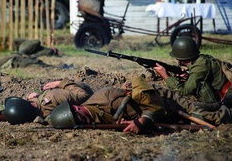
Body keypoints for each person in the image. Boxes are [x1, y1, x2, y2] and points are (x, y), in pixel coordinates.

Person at [49, 75, 232, 134]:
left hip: (167, 104)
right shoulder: (92, 117)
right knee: (210, 106)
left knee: (212, 117)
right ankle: (222, 102)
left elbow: (154, 108)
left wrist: (143, 120)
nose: (81, 115)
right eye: (78, 121)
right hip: (163, 108)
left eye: (77, 112)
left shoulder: (108, 99)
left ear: (74, 106)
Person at [153, 36, 232, 103]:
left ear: (179, 58)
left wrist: (165, 76)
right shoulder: (202, 59)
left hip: (227, 96)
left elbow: (184, 91)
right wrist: (188, 77)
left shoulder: (199, 67)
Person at [26, 77, 94, 121]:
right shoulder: (53, 97)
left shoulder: (36, 110)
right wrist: (59, 83)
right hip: (86, 92)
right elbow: (84, 95)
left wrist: (33, 99)